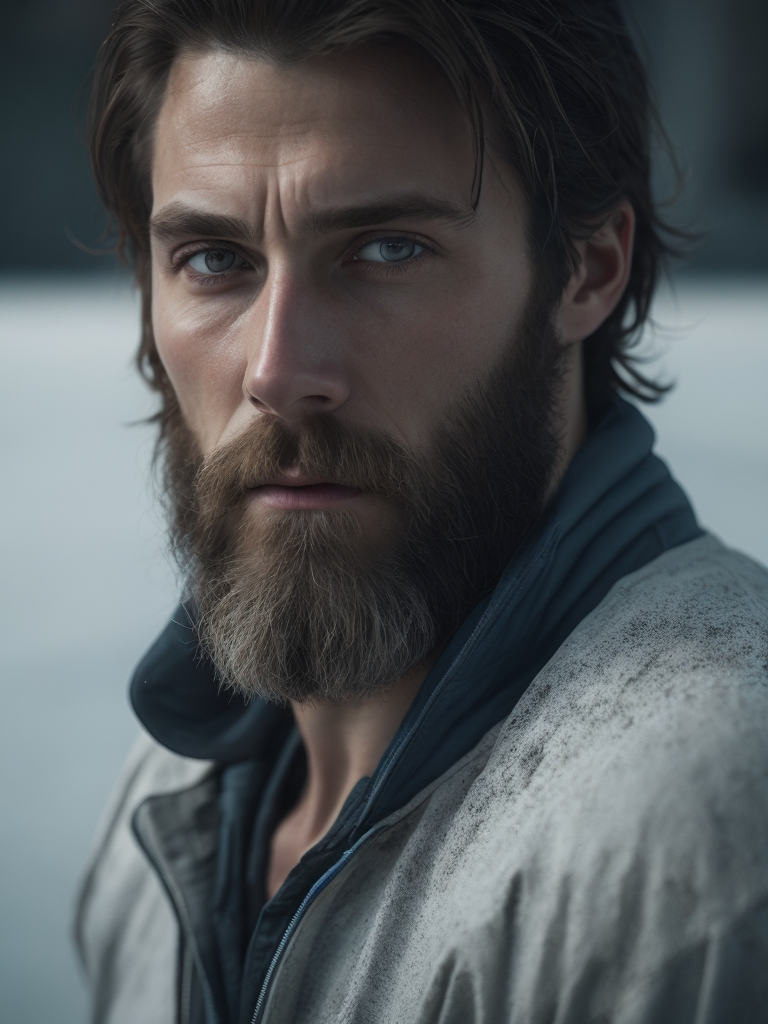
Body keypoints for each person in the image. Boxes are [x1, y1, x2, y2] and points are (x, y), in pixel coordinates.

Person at [75, 1, 768, 1022]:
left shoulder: (701, 816)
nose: (279, 373)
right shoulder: (163, 795)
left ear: (588, 268)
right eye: (216, 260)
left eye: (386, 249)